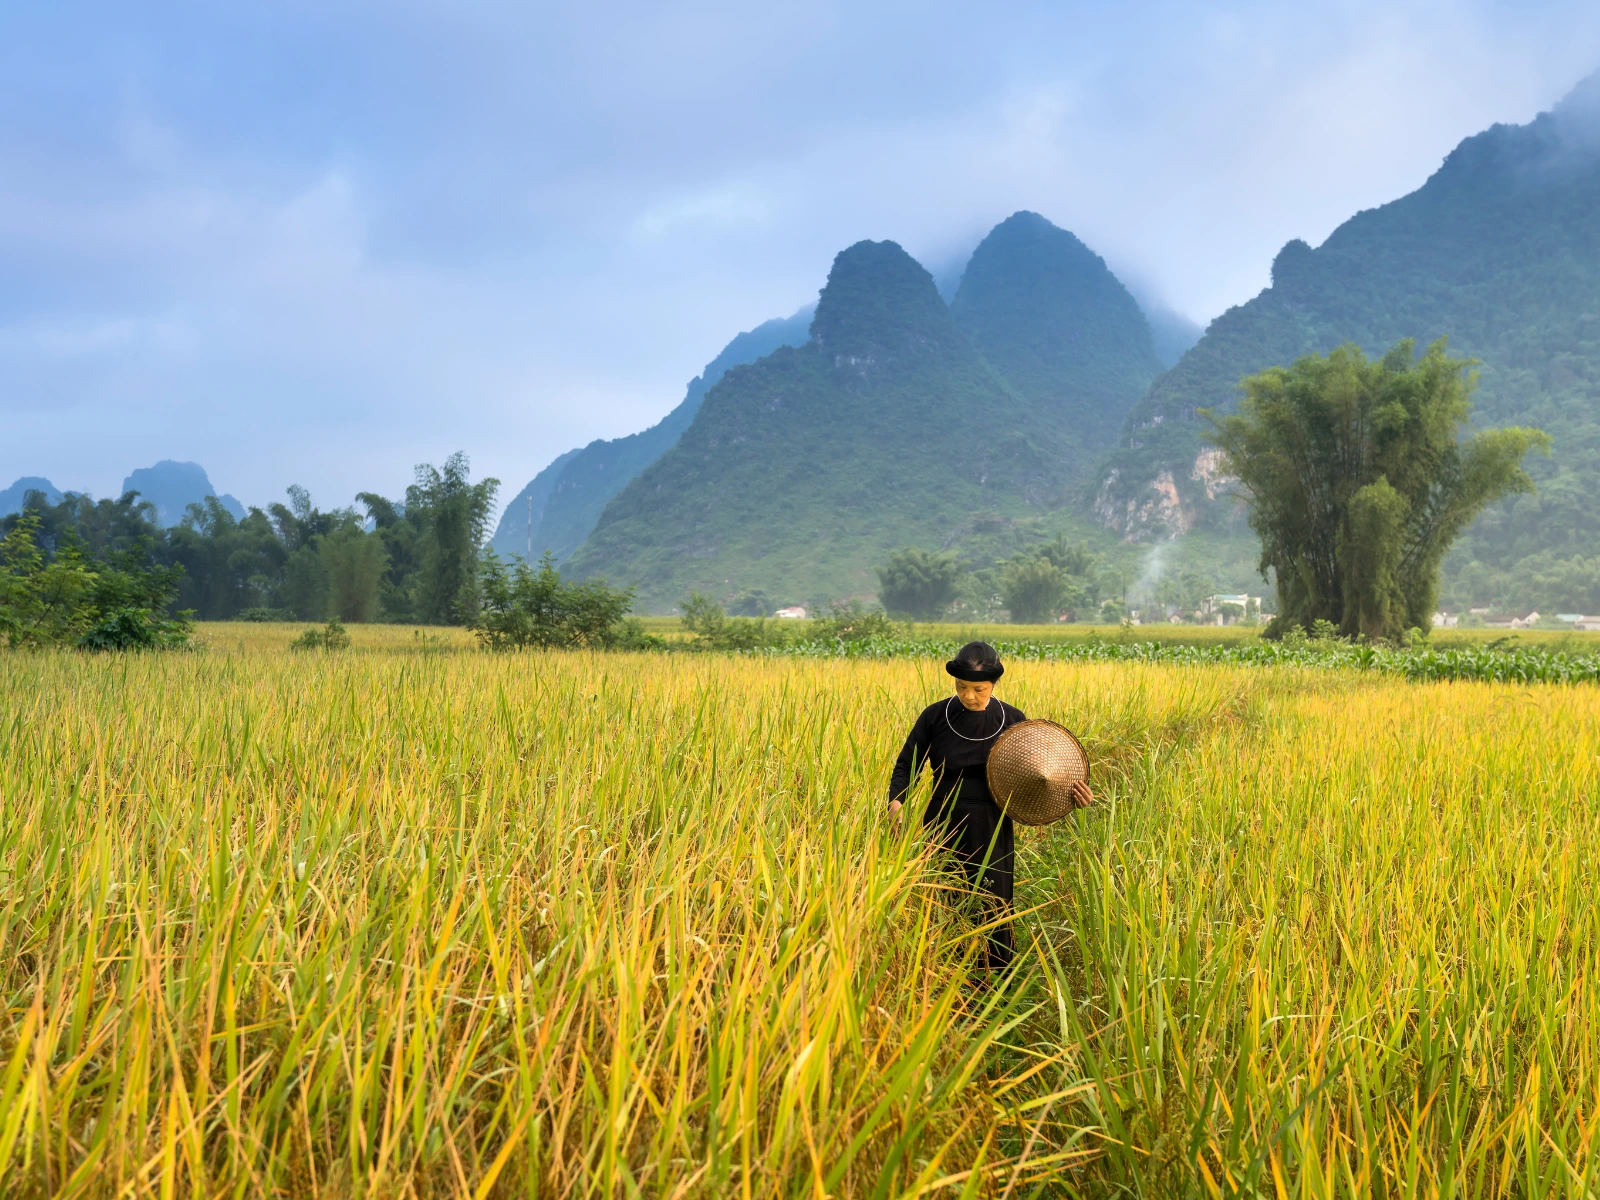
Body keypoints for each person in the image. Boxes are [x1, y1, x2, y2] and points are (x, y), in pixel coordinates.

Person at [887, 640, 1092, 971]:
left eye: (978, 689)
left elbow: (1040, 773)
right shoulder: (935, 716)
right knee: (945, 895)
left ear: (993, 684)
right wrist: (897, 800)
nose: (969, 696)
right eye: (961, 687)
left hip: (992, 822)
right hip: (942, 819)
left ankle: (993, 979)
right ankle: (943, 978)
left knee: (993, 899)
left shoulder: (1012, 720)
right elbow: (908, 763)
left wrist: (1071, 794)